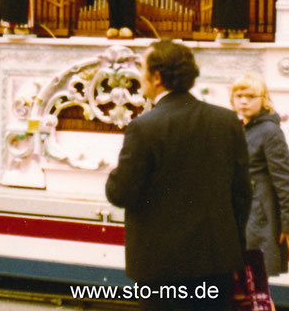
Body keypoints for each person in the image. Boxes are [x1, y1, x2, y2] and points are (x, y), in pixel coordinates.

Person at [106, 40, 251, 310]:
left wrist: (115, 172)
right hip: (215, 262)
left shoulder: (144, 128)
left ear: (157, 77)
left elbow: (121, 193)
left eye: (142, 68)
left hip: (161, 268)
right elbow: (242, 194)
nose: (140, 76)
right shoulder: (227, 121)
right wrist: (233, 249)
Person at [230, 74, 289, 277]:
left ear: (263, 99)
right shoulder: (243, 128)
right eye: (239, 95)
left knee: (255, 287)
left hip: (260, 219)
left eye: (251, 96)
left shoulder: (269, 131)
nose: (243, 101)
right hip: (246, 216)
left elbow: (286, 180)